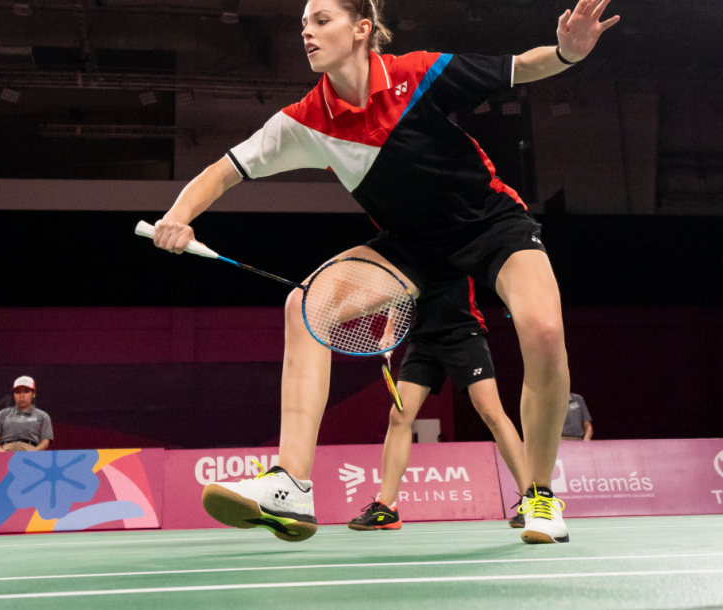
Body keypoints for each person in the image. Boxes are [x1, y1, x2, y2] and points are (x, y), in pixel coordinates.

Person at [152, 0, 618, 544]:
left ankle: (539, 495)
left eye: (321, 20)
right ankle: (290, 486)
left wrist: (568, 52)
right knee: (305, 308)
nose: (307, 32)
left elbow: (519, 66)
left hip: (490, 224)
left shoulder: (414, 74)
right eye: (303, 23)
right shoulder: (305, 121)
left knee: (543, 331)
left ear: (362, 29)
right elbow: (224, 171)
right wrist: (177, 218)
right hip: (411, 247)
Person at [346, 278, 529, 531]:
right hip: (423, 340)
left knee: (492, 413)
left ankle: (531, 498)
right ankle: (386, 507)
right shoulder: (407, 250)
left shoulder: (460, 242)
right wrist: (389, 330)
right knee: (399, 417)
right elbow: (402, 291)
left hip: (465, 334)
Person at [0, 376, 53, 452]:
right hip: (5, 451)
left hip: (31, 452)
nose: (21, 396)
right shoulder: (3, 414)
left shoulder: (43, 416)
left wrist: (33, 453)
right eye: (18, 392)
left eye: (26, 391)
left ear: (33, 394)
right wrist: (1, 453)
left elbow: (45, 442)